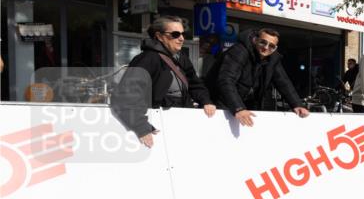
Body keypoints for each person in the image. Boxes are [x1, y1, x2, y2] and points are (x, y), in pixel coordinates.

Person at [111, 15, 216, 148]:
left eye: (183, 34)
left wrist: (205, 100)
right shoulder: (147, 59)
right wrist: (141, 127)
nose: (182, 38)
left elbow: (195, 83)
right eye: (175, 34)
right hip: (158, 124)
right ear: (159, 36)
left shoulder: (181, 58)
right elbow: (126, 96)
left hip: (180, 121)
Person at [209, 28, 309, 127]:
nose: (266, 48)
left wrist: (297, 104)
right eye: (263, 42)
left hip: (246, 105)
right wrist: (238, 108)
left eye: (271, 46)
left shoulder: (273, 58)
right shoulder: (239, 51)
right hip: (221, 104)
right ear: (255, 40)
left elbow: (283, 82)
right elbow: (226, 80)